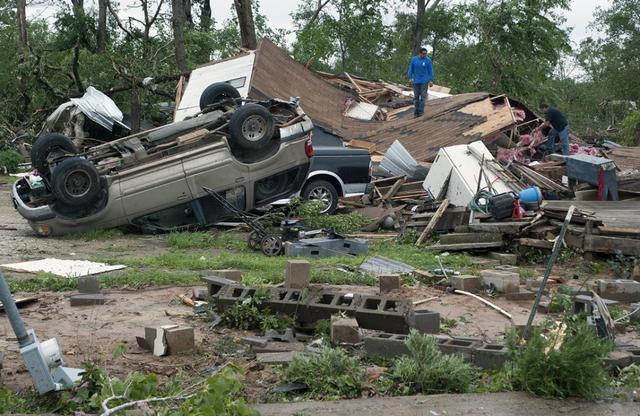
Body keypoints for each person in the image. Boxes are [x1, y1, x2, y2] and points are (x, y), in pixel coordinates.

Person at [407, 47, 434, 118]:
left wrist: (431, 80)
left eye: (426, 54)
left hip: (424, 81)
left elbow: (430, 70)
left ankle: (421, 112)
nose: (425, 55)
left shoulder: (428, 60)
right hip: (416, 81)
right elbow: (411, 69)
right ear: (420, 53)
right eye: (423, 54)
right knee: (416, 97)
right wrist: (410, 78)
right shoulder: (414, 60)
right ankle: (416, 112)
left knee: (423, 96)